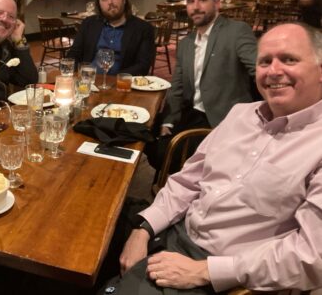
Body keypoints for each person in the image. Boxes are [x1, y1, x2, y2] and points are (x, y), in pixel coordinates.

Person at [101, 22, 322, 294]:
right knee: (91, 236)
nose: (274, 71)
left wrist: (206, 270)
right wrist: (143, 229)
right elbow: (187, 181)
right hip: (175, 234)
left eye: (289, 59)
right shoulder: (240, 114)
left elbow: (312, 256)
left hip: (223, 275)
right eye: (265, 61)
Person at [145, 0, 257, 176]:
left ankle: (185, 192)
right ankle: (172, 186)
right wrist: (168, 121)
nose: (195, 7)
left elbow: (259, 69)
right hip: (191, 112)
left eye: (202, 0)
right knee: (142, 134)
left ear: (217, 4)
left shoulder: (236, 31)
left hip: (221, 120)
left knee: (167, 152)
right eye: (190, 1)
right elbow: (177, 87)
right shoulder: (187, 42)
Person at [66, 0, 155, 76]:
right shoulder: (89, 24)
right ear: (99, 5)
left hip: (121, 85)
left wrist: (115, 79)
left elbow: (143, 66)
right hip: (88, 81)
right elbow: (74, 54)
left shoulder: (143, 29)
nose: (110, 2)